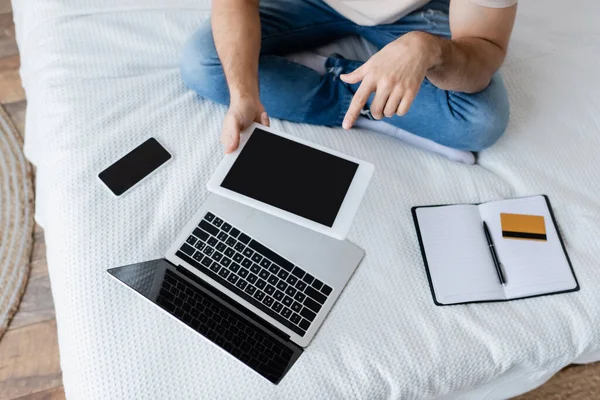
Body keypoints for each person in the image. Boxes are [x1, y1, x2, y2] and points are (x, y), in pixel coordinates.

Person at [180, 0, 517, 164]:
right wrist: (242, 93)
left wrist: (426, 49)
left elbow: (486, 46)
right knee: (203, 63)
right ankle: (373, 93)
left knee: (480, 122)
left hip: (419, 15)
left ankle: (375, 89)